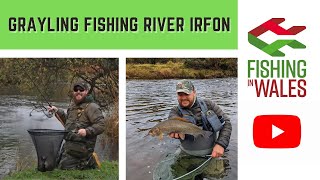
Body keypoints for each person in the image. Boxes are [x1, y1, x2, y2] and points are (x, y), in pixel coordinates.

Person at [48, 81, 105, 170]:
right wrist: (57, 111)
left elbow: (101, 125)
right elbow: (68, 123)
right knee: (53, 164)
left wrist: (87, 131)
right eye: (76, 89)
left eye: (81, 89)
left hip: (83, 149)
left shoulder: (92, 107)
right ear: (73, 92)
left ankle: (89, 161)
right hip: (69, 146)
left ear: (86, 91)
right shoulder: (72, 106)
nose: (78, 91)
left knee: (63, 168)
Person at [168, 79, 232, 158]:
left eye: (186, 94)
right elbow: (171, 121)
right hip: (187, 154)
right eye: (180, 95)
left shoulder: (209, 105)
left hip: (212, 154)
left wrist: (221, 144)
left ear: (194, 92)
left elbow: (227, 123)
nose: (183, 98)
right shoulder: (175, 111)